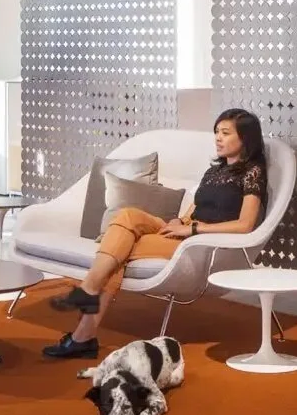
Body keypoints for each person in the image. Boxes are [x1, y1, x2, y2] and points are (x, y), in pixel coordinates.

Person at [44, 109, 268, 360]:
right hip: (186, 228)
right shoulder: (214, 171)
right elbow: (198, 207)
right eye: (216, 132)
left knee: (120, 252)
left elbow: (245, 225)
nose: (218, 137)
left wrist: (193, 229)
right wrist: (180, 221)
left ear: (245, 138)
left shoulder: (253, 172)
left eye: (225, 133)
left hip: (201, 242)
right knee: (128, 216)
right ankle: (87, 297)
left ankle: (83, 331)